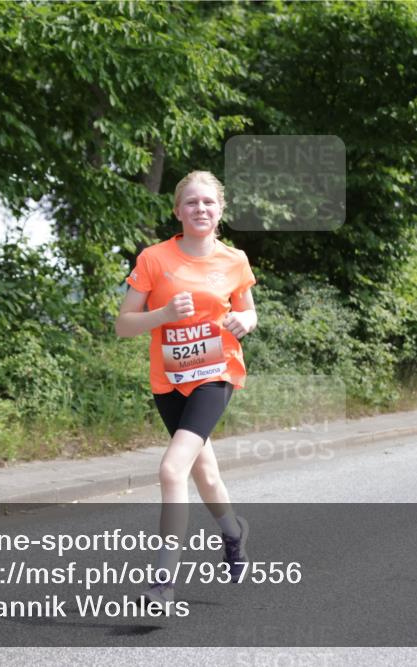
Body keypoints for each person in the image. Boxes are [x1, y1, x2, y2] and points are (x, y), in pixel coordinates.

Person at [115, 170, 257, 604]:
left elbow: (249, 313)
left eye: (209, 203)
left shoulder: (235, 260)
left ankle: (162, 582)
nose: (201, 209)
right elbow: (123, 326)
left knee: (171, 469)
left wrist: (242, 322)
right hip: (170, 381)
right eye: (192, 203)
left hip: (216, 375)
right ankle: (233, 533)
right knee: (205, 473)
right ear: (178, 210)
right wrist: (162, 316)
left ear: (220, 211)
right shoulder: (154, 259)